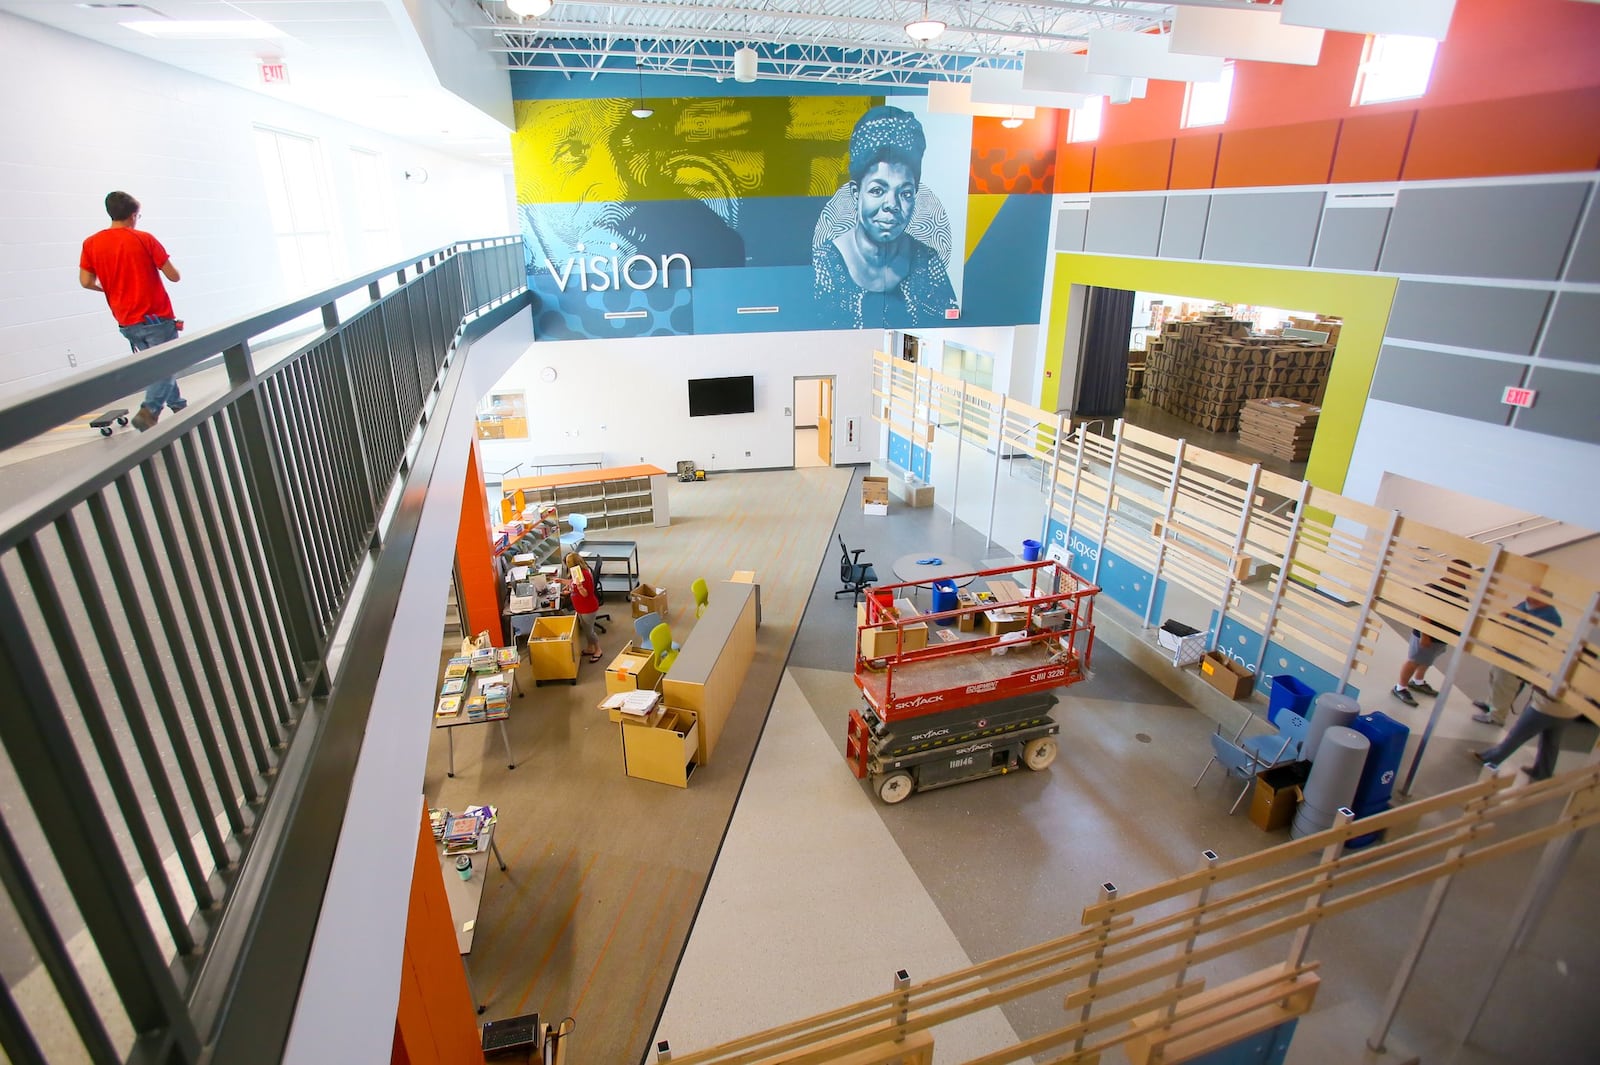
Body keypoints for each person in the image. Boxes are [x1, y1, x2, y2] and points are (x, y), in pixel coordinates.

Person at [812, 105, 958, 328]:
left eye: (905, 193)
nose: (892, 205)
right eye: (877, 191)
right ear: (855, 194)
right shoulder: (824, 264)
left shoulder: (928, 263)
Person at [79, 191, 187, 431]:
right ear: (132, 215)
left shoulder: (91, 243)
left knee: (159, 367)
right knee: (166, 365)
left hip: (126, 321)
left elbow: (85, 281)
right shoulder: (143, 239)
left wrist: (109, 288)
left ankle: (179, 406)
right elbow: (174, 276)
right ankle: (150, 410)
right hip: (156, 317)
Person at [1472, 590, 1563, 725]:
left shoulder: (1551, 617)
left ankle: (1497, 717)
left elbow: (1530, 637)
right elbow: (1511, 613)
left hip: (1518, 658)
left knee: (1505, 685)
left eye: (1533, 595)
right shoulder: (1527, 604)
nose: (1528, 597)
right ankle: (1490, 704)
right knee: (1495, 679)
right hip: (1504, 650)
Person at [1391, 560, 1470, 708]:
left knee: (1427, 660)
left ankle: (1418, 681)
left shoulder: (1461, 590)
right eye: (1465, 574)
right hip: (1426, 635)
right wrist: (1425, 635)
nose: (1468, 578)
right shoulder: (1437, 589)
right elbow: (1425, 614)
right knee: (1414, 660)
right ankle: (1400, 687)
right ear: (1453, 573)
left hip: (1442, 636)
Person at [1471, 686, 1583, 780]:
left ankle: (1491, 758)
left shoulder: (1568, 664)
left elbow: (1553, 691)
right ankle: (1543, 772)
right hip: (1569, 712)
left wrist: (1537, 684)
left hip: (1545, 707)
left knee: (1517, 736)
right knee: (1551, 743)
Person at [560, 551, 604, 664]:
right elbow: (572, 583)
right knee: (585, 628)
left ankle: (598, 650)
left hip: (588, 608)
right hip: (580, 607)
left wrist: (579, 587)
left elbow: (585, 593)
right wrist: (563, 582)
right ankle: (590, 647)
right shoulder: (576, 573)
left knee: (589, 631)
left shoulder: (585, 575)